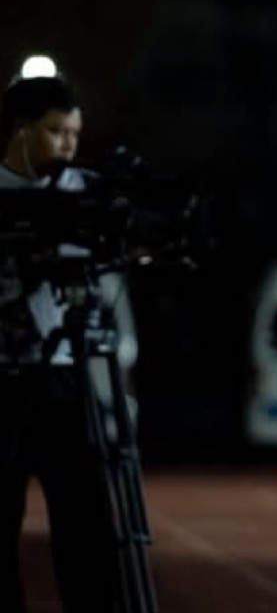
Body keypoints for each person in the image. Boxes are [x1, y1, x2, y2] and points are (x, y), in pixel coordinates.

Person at [0, 75, 121, 612]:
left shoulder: (88, 192)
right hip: (5, 379)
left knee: (85, 517)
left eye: (74, 133)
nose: (68, 145)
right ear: (21, 129)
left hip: (66, 375)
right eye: (55, 131)